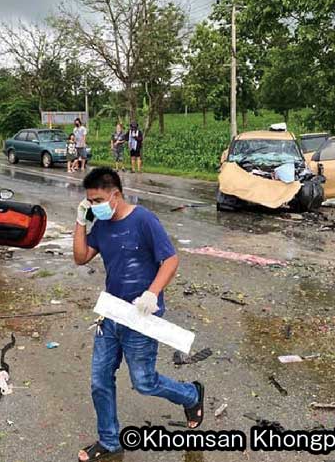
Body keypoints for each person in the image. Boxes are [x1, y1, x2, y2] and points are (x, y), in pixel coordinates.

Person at [73, 168, 204, 461]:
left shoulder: (143, 220)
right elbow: (81, 257)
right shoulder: (101, 225)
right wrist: (81, 221)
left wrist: (152, 293)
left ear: (115, 195)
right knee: (99, 380)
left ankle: (191, 395)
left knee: (144, 382)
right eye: (89, 202)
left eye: (96, 200)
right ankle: (109, 441)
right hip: (111, 313)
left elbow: (170, 259)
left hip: (142, 315)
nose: (93, 206)